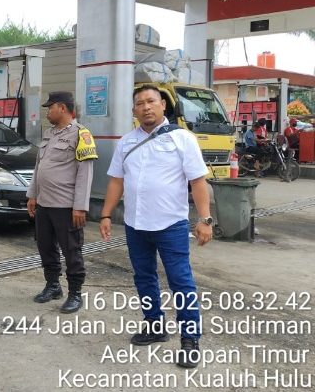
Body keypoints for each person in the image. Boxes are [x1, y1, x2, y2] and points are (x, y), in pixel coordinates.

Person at [99, 84, 213, 369]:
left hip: (170, 225)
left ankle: (190, 340)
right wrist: (105, 215)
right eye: (140, 103)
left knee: (181, 282)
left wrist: (205, 219)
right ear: (134, 110)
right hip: (135, 225)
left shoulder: (182, 138)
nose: (146, 107)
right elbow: (116, 181)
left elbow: (198, 181)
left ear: (163, 104)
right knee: (144, 278)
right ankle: (154, 325)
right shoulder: (126, 142)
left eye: (151, 101)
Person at [26, 91, 96, 314]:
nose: (47, 112)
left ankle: (75, 294)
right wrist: (32, 195)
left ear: (63, 108)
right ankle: (53, 285)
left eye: (50, 107)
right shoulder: (49, 133)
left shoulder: (81, 134)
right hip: (44, 203)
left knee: (71, 250)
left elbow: (85, 173)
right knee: (45, 247)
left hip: (66, 206)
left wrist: (80, 206)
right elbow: (39, 167)